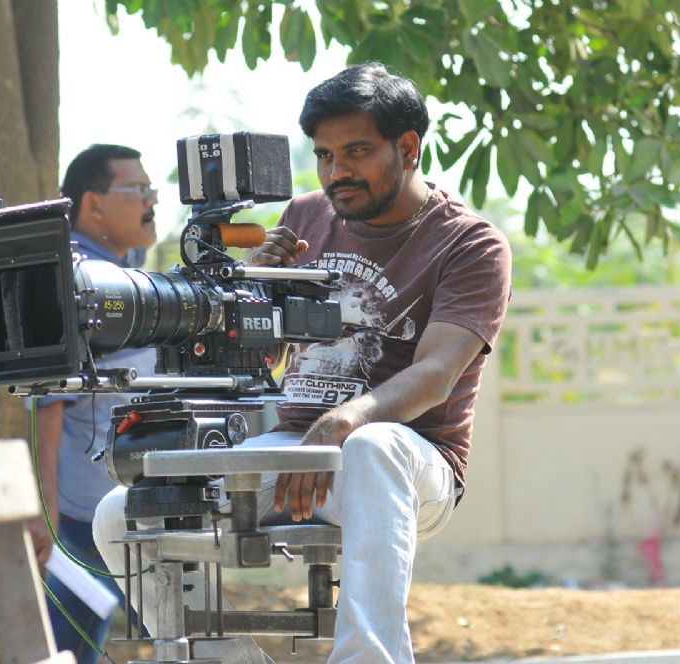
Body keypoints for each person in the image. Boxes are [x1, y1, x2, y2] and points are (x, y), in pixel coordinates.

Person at [92, 63, 512, 664]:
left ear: (408, 147)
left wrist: (340, 424)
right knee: (122, 513)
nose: (337, 172)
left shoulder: (469, 243)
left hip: (409, 464)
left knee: (372, 445)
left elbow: (437, 375)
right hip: (293, 452)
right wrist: (253, 288)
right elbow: (262, 360)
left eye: (357, 151)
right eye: (324, 155)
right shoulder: (306, 216)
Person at [26, 143, 159, 664]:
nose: (151, 201)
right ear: (93, 203)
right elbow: (49, 405)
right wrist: (46, 513)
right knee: (72, 642)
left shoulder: (121, 269)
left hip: (128, 503)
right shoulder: (76, 280)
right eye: (137, 190)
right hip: (84, 515)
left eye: (151, 189)